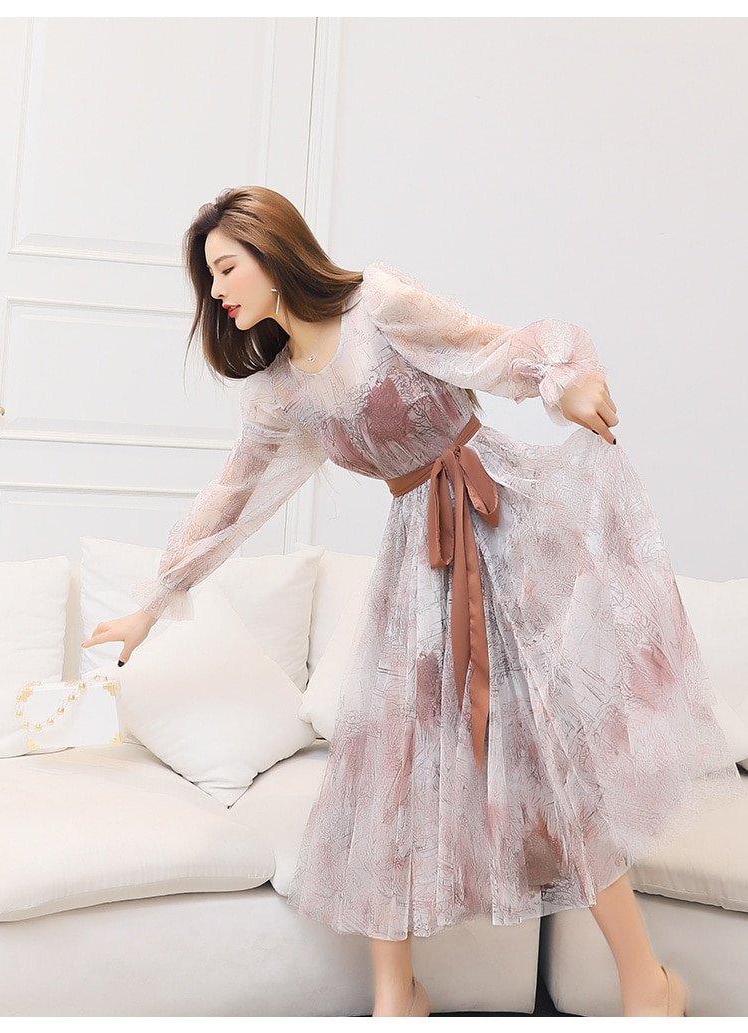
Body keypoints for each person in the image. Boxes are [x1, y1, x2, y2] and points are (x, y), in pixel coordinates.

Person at [82, 185, 742, 1018]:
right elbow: (232, 498)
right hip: (417, 561)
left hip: (500, 520)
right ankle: (398, 997)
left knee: (549, 758)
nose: (216, 292)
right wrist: (154, 600)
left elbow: (492, 349)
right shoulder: (282, 391)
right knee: (386, 768)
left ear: (272, 251)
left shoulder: (378, 305)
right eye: (208, 278)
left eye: (225, 268)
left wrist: (564, 383)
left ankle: (647, 984)